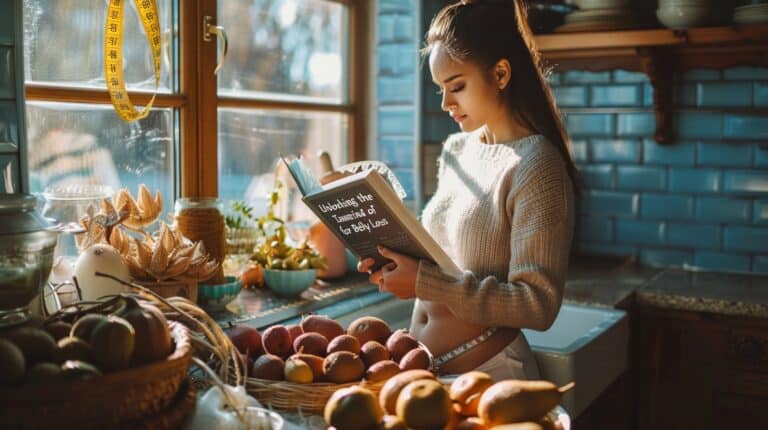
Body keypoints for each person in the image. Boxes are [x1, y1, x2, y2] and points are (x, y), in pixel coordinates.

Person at [358, 0, 579, 381]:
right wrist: (390, 256)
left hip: (493, 372)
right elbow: (445, 256)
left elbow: (538, 305)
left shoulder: (537, 166)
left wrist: (425, 283)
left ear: (501, 74)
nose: (445, 103)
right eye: (440, 89)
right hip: (425, 370)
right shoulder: (457, 149)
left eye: (456, 86)